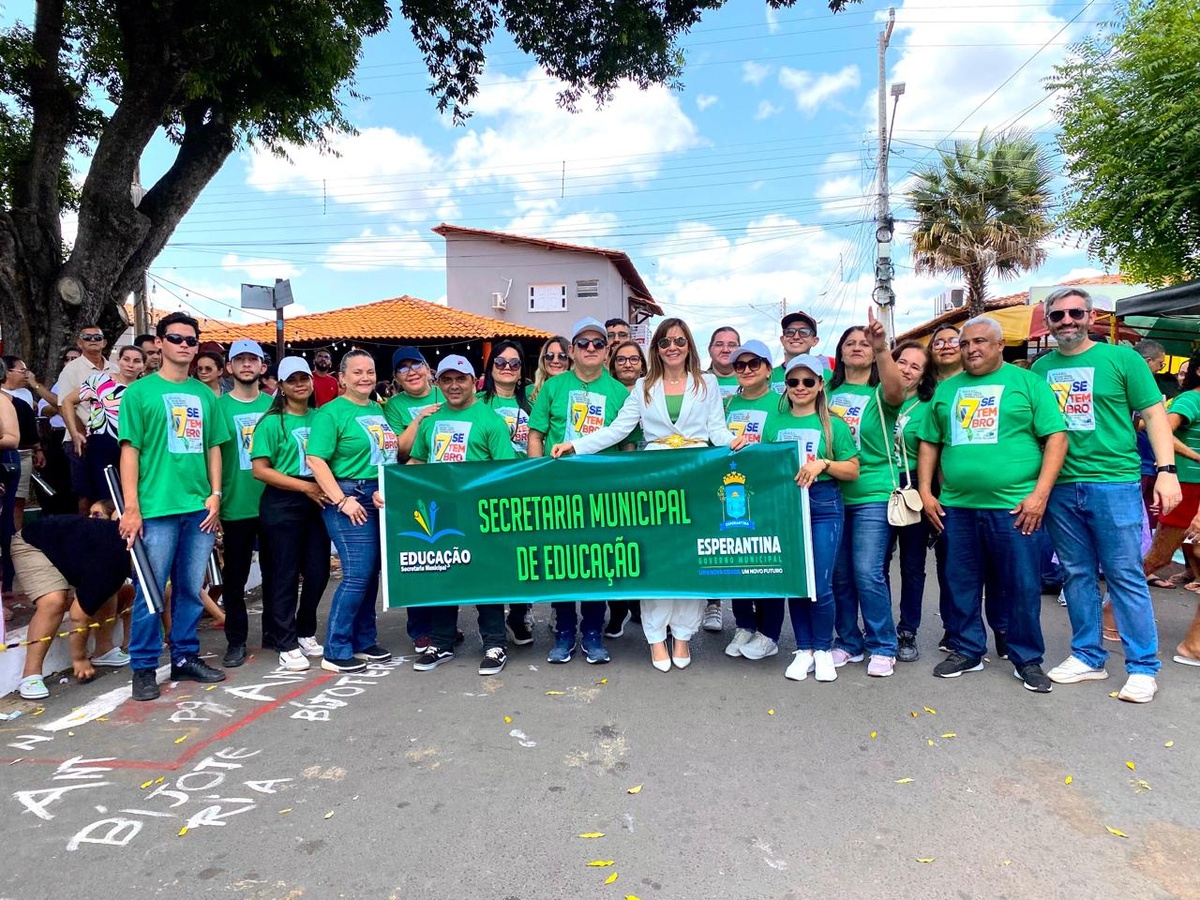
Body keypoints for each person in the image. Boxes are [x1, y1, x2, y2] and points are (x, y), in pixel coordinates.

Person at [552, 317, 740, 671]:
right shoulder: (642, 386)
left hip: (696, 475)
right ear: (656, 348)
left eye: (679, 341)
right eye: (665, 342)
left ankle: (682, 634)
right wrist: (575, 445)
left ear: (689, 346)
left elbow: (717, 429)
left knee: (689, 558)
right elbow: (618, 429)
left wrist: (737, 443)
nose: (673, 347)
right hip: (655, 478)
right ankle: (656, 637)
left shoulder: (708, 383)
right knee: (657, 558)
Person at [1033, 287, 1179, 703]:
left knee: (1124, 575)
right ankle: (1087, 656)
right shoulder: (1041, 368)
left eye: (1074, 313)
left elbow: (1154, 415)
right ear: (1049, 321)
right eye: (1058, 315)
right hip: (1061, 486)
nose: (1067, 321)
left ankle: (1143, 666)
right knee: (1076, 574)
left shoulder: (1122, 358)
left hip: (1113, 483)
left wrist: (1166, 472)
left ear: (1090, 315)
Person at [918, 316, 1068, 694]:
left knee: (1020, 585)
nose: (971, 349)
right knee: (960, 582)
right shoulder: (947, 390)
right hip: (957, 507)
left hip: (1014, 507)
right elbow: (930, 442)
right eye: (966, 343)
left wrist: (1040, 495)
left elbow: (1056, 438)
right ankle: (966, 649)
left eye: (981, 341)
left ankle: (1026, 658)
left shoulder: (1028, 383)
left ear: (1000, 345)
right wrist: (925, 492)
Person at [118, 311, 231, 701]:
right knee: (151, 590)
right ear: (161, 343)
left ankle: (185, 656)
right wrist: (131, 507)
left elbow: (214, 446)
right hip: (156, 508)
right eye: (176, 338)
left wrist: (215, 494)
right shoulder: (138, 393)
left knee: (188, 588)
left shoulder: (205, 394)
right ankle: (144, 666)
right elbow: (129, 451)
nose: (184, 345)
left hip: (198, 507)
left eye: (190, 340)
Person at [529, 318, 631, 665]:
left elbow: (629, 445)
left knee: (597, 561)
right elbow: (536, 434)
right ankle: (563, 632)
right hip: (558, 488)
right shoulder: (553, 387)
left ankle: (592, 630)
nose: (590, 348)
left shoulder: (620, 392)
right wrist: (534, 475)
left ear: (607, 352)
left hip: (604, 491)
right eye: (583, 343)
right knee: (562, 561)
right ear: (571, 350)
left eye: (598, 343)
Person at [408, 355, 517, 675]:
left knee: (486, 579)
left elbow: (504, 471)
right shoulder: (430, 422)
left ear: (474, 382)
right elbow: (416, 464)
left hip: (480, 513)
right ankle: (441, 642)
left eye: (461, 379)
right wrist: (392, 488)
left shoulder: (490, 420)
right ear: (438, 383)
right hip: (441, 513)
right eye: (447, 380)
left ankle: (495, 643)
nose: (454, 386)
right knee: (444, 576)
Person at [764, 354, 860, 682]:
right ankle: (803, 648)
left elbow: (853, 469)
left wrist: (824, 464)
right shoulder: (774, 422)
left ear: (820, 385)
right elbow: (763, 463)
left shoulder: (833, 423)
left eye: (808, 381)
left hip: (823, 503)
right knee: (796, 581)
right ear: (786, 386)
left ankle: (822, 648)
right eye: (793, 381)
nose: (800, 387)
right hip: (787, 505)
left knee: (820, 583)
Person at [306, 349, 399, 674]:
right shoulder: (331, 413)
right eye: (357, 372)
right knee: (357, 574)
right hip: (349, 496)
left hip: (376, 495)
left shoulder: (377, 409)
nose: (365, 377)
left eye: (370, 371)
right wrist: (341, 500)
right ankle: (336, 648)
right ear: (342, 378)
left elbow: (390, 449)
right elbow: (315, 459)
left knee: (370, 572)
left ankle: (363, 640)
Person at [823, 324, 898, 676]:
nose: (857, 348)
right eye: (849, 343)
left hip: (872, 491)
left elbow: (898, 392)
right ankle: (849, 643)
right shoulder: (826, 391)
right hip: (833, 493)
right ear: (839, 352)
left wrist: (884, 349)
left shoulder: (881, 391)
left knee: (868, 572)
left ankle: (883, 644)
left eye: (864, 343)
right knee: (839, 575)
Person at [864, 327, 938, 663]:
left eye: (916, 366)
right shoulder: (876, 397)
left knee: (912, 565)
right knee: (877, 563)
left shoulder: (927, 406)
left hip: (912, 486)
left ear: (925, 376)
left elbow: (930, 452)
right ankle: (876, 627)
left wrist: (929, 493)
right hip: (880, 484)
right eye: (901, 362)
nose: (907, 369)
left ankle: (907, 629)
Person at [250, 357, 329, 672]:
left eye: (304, 378)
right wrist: (303, 488)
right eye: (292, 379)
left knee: (319, 569)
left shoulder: (322, 418)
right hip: (284, 500)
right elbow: (260, 470)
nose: (300, 384)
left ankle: (305, 629)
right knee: (284, 573)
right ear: (280, 386)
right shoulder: (272, 422)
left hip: (318, 497)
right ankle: (285, 642)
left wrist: (315, 490)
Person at [12, 505, 133, 700]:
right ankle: (30, 674)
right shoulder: (113, 558)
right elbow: (78, 615)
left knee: (108, 589)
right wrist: (79, 659)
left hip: (66, 549)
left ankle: (104, 649)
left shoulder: (120, 555)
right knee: (54, 601)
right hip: (32, 543)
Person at [723, 340, 789, 660]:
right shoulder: (727, 405)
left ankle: (769, 633)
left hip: (769, 494)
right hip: (733, 493)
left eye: (754, 364)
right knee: (737, 560)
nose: (747, 370)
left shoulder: (781, 404)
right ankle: (744, 625)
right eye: (740, 365)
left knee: (767, 561)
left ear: (768, 368)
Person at [213, 339, 272, 668]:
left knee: (277, 574)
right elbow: (212, 459)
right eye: (240, 360)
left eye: (253, 360)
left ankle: (276, 635)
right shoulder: (218, 408)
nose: (247, 365)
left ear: (263, 367)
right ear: (229, 368)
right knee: (234, 578)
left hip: (272, 503)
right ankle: (235, 640)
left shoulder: (274, 406)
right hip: (235, 505)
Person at [381, 346, 442, 649]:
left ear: (428, 368)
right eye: (403, 369)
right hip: (414, 491)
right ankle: (420, 628)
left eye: (415, 364)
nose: (412, 372)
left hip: (449, 488)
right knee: (420, 560)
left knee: (449, 557)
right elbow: (399, 450)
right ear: (397, 378)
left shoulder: (447, 391)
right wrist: (419, 419)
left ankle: (445, 626)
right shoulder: (393, 406)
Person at [477, 340, 535, 646]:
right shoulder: (477, 403)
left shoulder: (531, 406)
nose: (508, 368)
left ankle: (519, 613)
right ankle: (493, 626)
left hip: (524, 493)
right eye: (501, 363)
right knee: (492, 562)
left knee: (522, 559)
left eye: (515, 363)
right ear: (491, 367)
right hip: (487, 493)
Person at [61, 345, 146, 522]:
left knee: (129, 495)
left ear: (143, 366)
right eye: (126, 359)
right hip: (101, 443)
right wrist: (75, 433)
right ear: (118, 361)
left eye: (137, 361)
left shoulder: (145, 389)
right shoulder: (100, 380)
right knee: (101, 497)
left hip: (134, 445)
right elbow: (67, 401)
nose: (130, 364)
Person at [604, 338, 648, 638]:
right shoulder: (610, 394)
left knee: (646, 548)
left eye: (634, 359)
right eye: (621, 359)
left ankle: (644, 609)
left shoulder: (654, 389)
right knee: (617, 549)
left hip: (654, 478)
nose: (628, 364)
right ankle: (619, 610)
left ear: (643, 364)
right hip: (616, 479)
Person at [55, 323, 115, 513]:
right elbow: (63, 405)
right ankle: (84, 534)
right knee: (85, 492)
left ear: (104, 342)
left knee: (110, 491)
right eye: (87, 337)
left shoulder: (114, 368)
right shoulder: (71, 369)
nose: (92, 341)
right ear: (79, 342)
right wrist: (77, 434)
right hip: (81, 439)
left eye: (97, 337)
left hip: (109, 438)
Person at [1, 357, 49, 530]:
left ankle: (15, 540)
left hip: (21, 453)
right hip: (8, 451)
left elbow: (29, 427)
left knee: (18, 499)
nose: (27, 374)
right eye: (23, 370)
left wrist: (37, 449)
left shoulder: (24, 396)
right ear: (7, 372)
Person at [771, 311, 820, 394]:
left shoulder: (828, 377)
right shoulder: (768, 376)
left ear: (815, 341)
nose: (796, 337)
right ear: (782, 340)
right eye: (790, 332)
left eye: (804, 332)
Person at [530, 336, 570, 402]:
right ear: (543, 359)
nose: (555, 361)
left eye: (562, 356)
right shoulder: (528, 392)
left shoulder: (578, 392)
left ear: (570, 361)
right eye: (550, 355)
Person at [706, 326, 742, 400]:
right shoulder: (697, 382)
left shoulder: (751, 381)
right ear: (709, 349)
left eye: (732, 345)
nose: (725, 350)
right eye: (719, 344)